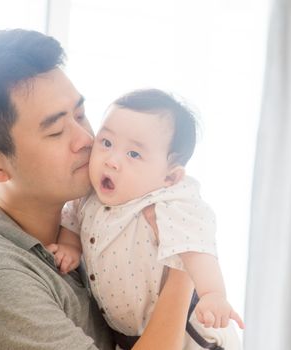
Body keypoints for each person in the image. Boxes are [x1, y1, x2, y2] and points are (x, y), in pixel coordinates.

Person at [0, 29, 194, 349]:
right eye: (56, 131)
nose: (87, 138)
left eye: (80, 114)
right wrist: (185, 266)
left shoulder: (97, 208)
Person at [50, 89, 244, 349]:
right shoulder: (87, 195)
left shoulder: (168, 205)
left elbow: (198, 249)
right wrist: (70, 247)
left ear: (170, 177)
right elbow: (72, 220)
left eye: (134, 154)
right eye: (106, 143)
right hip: (132, 336)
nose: (112, 161)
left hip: (189, 334)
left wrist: (213, 294)